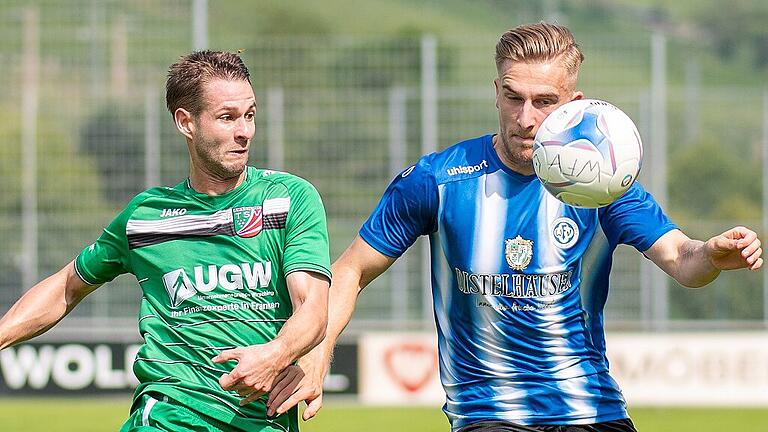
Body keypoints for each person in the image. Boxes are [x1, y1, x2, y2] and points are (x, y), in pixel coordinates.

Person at [265, 22, 764, 432]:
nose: (526, 118)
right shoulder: (438, 180)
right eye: (513, 97)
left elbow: (683, 261)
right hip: (488, 415)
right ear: (496, 92)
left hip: (593, 409)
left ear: (574, 102)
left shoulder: (602, 185)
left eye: (544, 101)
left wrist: (713, 255)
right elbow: (350, 270)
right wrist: (316, 352)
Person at [0, 50, 332, 432]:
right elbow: (65, 287)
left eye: (250, 114)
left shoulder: (289, 198)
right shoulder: (145, 217)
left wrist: (276, 354)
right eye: (227, 117)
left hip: (263, 419)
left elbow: (312, 307)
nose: (244, 131)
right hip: (167, 415)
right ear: (185, 123)